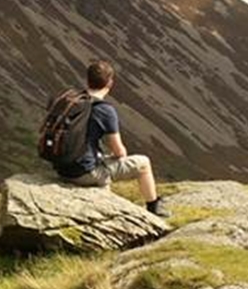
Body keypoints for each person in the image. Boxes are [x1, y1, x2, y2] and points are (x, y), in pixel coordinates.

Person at [60, 59, 170, 218]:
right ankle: (154, 207)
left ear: (88, 80)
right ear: (109, 83)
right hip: (84, 173)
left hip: (63, 168)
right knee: (143, 163)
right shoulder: (105, 110)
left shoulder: (73, 102)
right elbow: (118, 151)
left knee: (101, 162)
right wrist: (118, 157)